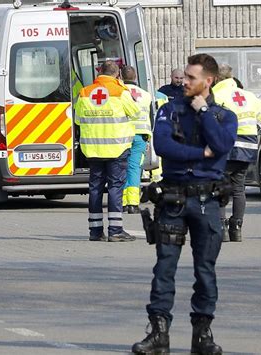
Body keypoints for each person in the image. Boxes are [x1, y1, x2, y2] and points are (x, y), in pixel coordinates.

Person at [132, 54, 237, 355]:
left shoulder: (223, 116)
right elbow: (163, 145)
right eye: (185, 76)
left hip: (207, 201)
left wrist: (203, 112)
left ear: (208, 81)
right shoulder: (169, 109)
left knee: (205, 270)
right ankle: (158, 334)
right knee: (164, 268)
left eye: (192, 78)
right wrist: (200, 154)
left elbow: (221, 146)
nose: (184, 82)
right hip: (173, 199)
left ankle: (202, 335)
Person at [74, 60, 140, 242]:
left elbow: (78, 119)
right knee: (115, 188)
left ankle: (95, 232)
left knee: (95, 188)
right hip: (117, 148)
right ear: (117, 74)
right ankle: (115, 230)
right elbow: (135, 112)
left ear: (100, 73)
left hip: (93, 149)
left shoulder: (85, 92)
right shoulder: (120, 92)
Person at [212, 64, 261, 242]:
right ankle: (236, 227)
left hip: (225, 147)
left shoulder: (216, 95)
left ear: (216, 78)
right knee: (239, 188)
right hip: (247, 147)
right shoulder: (248, 96)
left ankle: (221, 227)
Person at [120, 65, 152, 214]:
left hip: (122, 135)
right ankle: (133, 203)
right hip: (140, 136)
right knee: (134, 168)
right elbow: (151, 118)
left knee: (121, 168)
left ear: (121, 77)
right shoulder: (146, 95)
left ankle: (123, 202)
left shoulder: (119, 93)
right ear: (135, 77)